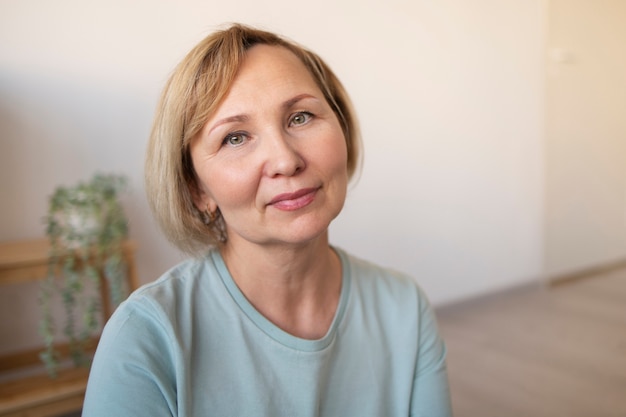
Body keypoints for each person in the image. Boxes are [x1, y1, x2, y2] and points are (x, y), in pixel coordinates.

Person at [83, 23, 453, 416]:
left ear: (341, 128)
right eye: (235, 138)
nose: (285, 160)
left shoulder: (403, 308)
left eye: (301, 117)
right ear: (197, 189)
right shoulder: (145, 338)